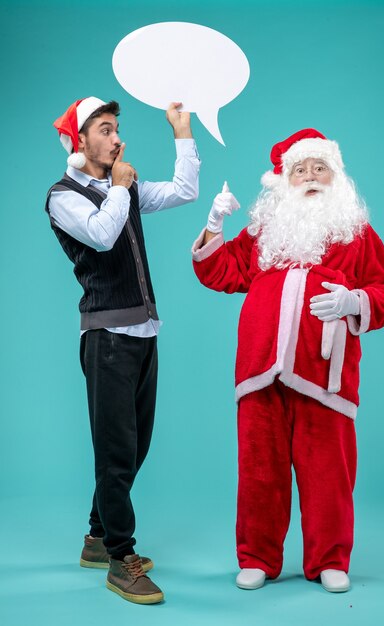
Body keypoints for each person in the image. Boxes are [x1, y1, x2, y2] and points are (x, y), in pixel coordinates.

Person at [192, 129, 384, 593]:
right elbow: (220, 271)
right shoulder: (265, 232)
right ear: (284, 180)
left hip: (325, 373)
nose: (309, 177)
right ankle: (258, 558)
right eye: (299, 169)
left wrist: (354, 300)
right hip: (260, 368)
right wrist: (214, 225)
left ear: (336, 177)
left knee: (328, 471)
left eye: (318, 168)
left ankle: (330, 559)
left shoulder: (358, 233)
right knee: (259, 470)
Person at [46, 96, 200, 604]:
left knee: (133, 449)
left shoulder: (124, 188)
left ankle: (96, 537)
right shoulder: (62, 196)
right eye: (106, 130)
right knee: (115, 453)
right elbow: (103, 236)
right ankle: (120, 558)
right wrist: (118, 189)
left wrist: (182, 131)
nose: (118, 139)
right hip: (107, 338)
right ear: (79, 142)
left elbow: (185, 190)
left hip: (144, 331)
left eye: (117, 130)